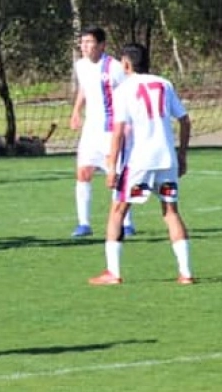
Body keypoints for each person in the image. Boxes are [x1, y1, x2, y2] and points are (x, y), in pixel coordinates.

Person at [89, 43, 194, 286]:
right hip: (166, 160)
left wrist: (112, 167)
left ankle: (113, 273)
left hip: (139, 163)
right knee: (171, 212)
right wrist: (182, 155)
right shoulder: (164, 84)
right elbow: (185, 121)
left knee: (118, 211)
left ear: (126, 64)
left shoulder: (124, 90)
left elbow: (117, 133)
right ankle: (186, 274)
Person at [69, 25, 134, 238]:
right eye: (83, 42)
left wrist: (128, 124)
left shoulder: (114, 67)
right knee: (83, 173)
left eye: (89, 42)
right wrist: (77, 111)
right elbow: (85, 88)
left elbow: (129, 92)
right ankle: (84, 224)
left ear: (102, 45)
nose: (84, 46)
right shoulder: (81, 65)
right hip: (91, 130)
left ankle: (126, 222)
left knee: (114, 174)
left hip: (110, 130)